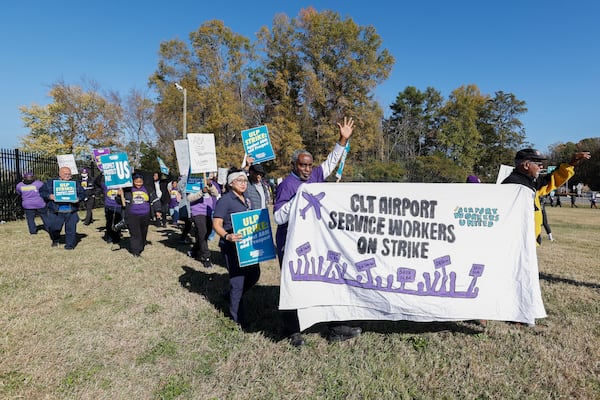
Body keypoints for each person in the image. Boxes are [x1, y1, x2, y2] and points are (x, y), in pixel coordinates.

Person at [273, 116, 361, 346]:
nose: (307, 169)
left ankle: (336, 329)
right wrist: (300, 198)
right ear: (294, 165)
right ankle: (292, 331)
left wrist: (343, 139)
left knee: (323, 282)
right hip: (289, 244)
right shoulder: (287, 186)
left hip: (314, 242)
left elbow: (331, 163)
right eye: (303, 165)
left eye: (310, 165)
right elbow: (278, 217)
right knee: (292, 286)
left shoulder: (314, 176)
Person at [501, 148, 590, 245]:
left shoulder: (532, 182)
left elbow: (554, 179)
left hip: (530, 243)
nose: (541, 167)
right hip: (518, 245)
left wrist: (573, 162)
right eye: (538, 164)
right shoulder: (512, 185)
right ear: (527, 165)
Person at [212, 169, 261, 327]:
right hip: (231, 246)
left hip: (246, 246)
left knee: (254, 274)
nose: (243, 183)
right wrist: (227, 236)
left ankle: (231, 295)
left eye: (245, 180)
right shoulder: (225, 200)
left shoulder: (247, 199)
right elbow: (216, 224)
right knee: (237, 282)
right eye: (239, 180)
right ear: (231, 182)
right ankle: (237, 320)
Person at [40, 166, 85, 249]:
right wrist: (49, 196)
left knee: (71, 229)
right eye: (65, 174)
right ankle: (55, 239)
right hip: (56, 210)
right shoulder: (50, 182)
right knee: (54, 228)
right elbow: (41, 192)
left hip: (71, 210)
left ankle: (70, 246)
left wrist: (78, 199)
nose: (68, 176)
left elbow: (83, 193)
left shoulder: (75, 183)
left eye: (69, 174)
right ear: (59, 174)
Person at [118, 173, 156, 257]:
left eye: (140, 182)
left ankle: (141, 246)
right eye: (136, 182)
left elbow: (155, 200)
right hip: (132, 215)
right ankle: (135, 251)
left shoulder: (148, 189)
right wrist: (119, 195)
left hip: (145, 215)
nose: (138, 184)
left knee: (143, 232)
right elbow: (119, 202)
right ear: (133, 181)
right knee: (135, 233)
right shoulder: (127, 190)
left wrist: (158, 211)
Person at [187, 176, 220, 268]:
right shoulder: (191, 182)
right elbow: (189, 198)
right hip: (197, 212)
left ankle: (194, 250)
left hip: (208, 211)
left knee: (207, 233)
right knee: (202, 232)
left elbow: (216, 193)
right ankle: (206, 257)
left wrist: (210, 185)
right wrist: (201, 192)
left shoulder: (207, 181)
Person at [96, 173, 123, 245]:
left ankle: (116, 238)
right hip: (109, 206)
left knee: (117, 223)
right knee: (109, 223)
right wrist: (101, 174)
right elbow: (97, 182)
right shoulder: (106, 186)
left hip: (118, 207)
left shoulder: (121, 187)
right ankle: (110, 237)